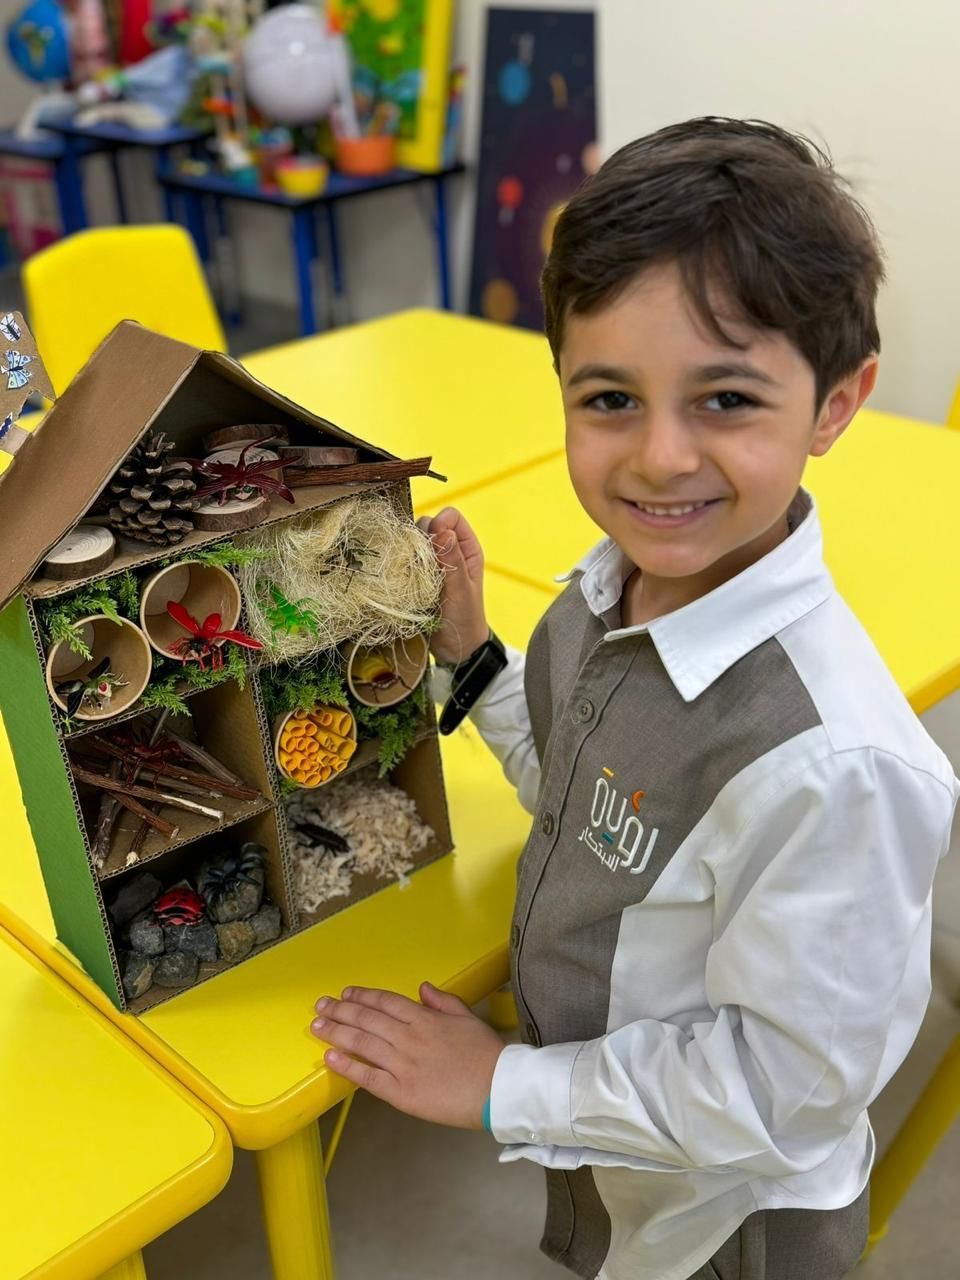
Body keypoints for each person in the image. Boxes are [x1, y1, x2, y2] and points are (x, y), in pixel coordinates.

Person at [309, 118, 960, 1280]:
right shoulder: (611, 591)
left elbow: (784, 1093)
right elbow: (584, 783)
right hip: (622, 1162)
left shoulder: (838, 765)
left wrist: (501, 1083)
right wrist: (474, 662)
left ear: (835, 404)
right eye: (610, 397)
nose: (660, 457)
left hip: (729, 1221)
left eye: (725, 399)